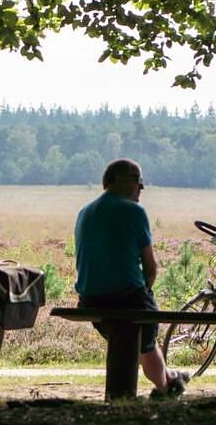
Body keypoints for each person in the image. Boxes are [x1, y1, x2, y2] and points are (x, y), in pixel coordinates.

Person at [75, 158, 188, 398]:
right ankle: (168, 384)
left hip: (89, 299)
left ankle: (169, 378)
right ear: (117, 180)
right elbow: (150, 268)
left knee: (137, 340)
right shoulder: (134, 211)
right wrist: (145, 291)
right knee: (143, 340)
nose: (142, 187)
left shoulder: (85, 212)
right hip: (126, 298)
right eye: (137, 179)